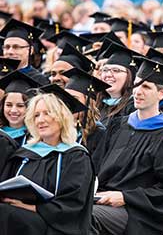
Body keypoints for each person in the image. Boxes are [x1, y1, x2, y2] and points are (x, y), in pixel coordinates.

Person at [91, 56, 163, 235]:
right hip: (103, 198)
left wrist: (125, 197)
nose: (138, 92)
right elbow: (97, 167)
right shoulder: (118, 125)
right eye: (136, 85)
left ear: (161, 94)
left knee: (86, 217)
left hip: (139, 212)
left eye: (146, 87)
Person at [0, 93, 94, 235]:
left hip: (53, 225)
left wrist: (32, 208)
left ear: (62, 117)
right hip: (18, 216)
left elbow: (73, 203)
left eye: (47, 113)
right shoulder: (24, 154)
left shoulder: (76, 157)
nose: (41, 120)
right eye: (36, 115)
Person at [63, 68, 110, 156]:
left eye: (74, 99)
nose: (68, 103)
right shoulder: (58, 130)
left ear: (88, 104)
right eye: (65, 97)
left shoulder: (99, 134)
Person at [0, 19, 49, 85]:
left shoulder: (39, 79)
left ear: (30, 50)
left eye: (16, 47)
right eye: (7, 47)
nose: (10, 51)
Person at [0, 71, 41, 146]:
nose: (13, 110)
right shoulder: (1, 132)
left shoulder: (36, 136)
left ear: (29, 108)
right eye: (9, 105)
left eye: (20, 105)